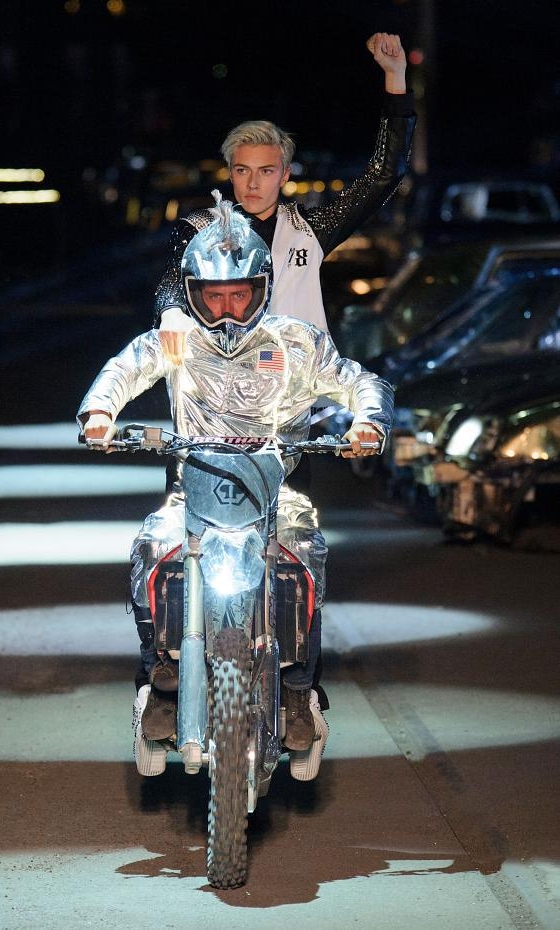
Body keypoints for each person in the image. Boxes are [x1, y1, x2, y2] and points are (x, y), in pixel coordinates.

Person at [78, 194, 394, 755]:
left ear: (262, 288)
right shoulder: (177, 338)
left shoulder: (296, 341)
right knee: (151, 545)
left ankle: (298, 690)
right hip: (194, 493)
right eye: (214, 295)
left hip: (275, 493)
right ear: (193, 293)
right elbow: (125, 367)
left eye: (239, 294)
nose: (226, 308)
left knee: (307, 553)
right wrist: (100, 413)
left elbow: (360, 380)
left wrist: (368, 422)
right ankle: (161, 675)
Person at [154, 31, 415, 366]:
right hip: (226, 390)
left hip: (300, 388)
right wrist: (171, 313)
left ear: (285, 174)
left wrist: (395, 77)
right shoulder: (200, 228)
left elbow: (384, 175)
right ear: (230, 173)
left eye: (266, 171)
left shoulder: (310, 228)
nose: (252, 183)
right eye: (243, 170)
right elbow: (172, 282)